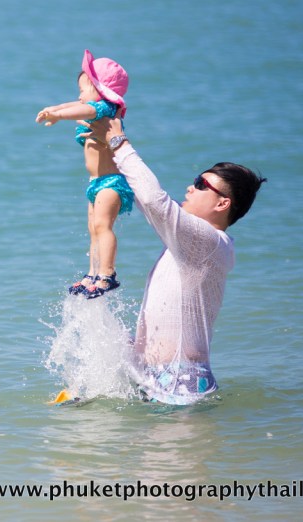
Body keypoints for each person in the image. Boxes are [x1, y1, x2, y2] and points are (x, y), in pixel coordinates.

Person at [85, 116, 265, 405]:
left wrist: (120, 144)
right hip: (154, 379)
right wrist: (104, 151)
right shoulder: (192, 245)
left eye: (201, 184)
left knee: (168, 452)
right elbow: (147, 202)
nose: (190, 187)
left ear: (222, 203)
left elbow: (156, 202)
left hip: (181, 383)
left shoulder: (207, 242)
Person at [36, 49, 132, 298]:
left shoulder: (104, 110)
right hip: (96, 182)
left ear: (100, 91)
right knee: (93, 229)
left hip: (112, 182)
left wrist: (58, 115)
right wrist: (54, 108)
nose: (79, 96)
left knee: (102, 226)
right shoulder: (93, 107)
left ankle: (107, 274)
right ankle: (93, 273)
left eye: (83, 89)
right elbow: (76, 105)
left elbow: (83, 110)